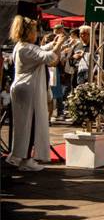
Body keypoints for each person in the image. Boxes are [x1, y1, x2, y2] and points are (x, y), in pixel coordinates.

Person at [7, 16, 67, 171]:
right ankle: (25, 159)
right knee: (30, 124)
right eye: (34, 30)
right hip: (28, 90)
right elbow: (50, 58)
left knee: (23, 125)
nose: (36, 33)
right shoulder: (26, 48)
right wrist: (59, 44)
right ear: (29, 32)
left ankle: (19, 156)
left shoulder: (21, 46)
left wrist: (52, 43)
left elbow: (41, 50)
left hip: (21, 88)